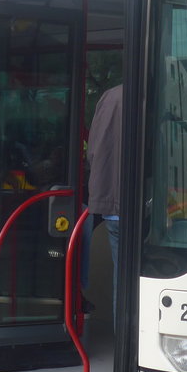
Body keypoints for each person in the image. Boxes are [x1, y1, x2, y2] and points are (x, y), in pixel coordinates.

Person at [86, 84, 123, 315]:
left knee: (123, 278)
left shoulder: (109, 96)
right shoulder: (154, 93)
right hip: (143, 207)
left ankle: (123, 333)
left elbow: (92, 151)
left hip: (111, 202)